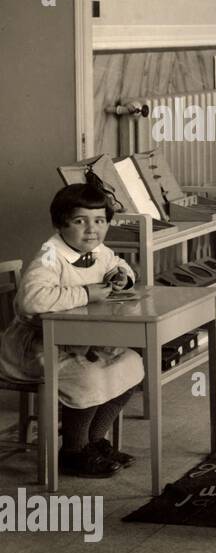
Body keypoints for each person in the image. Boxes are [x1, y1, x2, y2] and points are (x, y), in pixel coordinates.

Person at [0, 183, 143, 478]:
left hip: (80, 341)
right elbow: (30, 300)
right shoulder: (50, 257)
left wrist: (121, 276)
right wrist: (88, 293)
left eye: (100, 221)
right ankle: (73, 451)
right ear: (60, 224)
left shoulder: (98, 250)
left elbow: (120, 264)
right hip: (37, 346)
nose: (92, 230)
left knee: (132, 363)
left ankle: (93, 441)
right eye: (80, 221)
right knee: (88, 377)